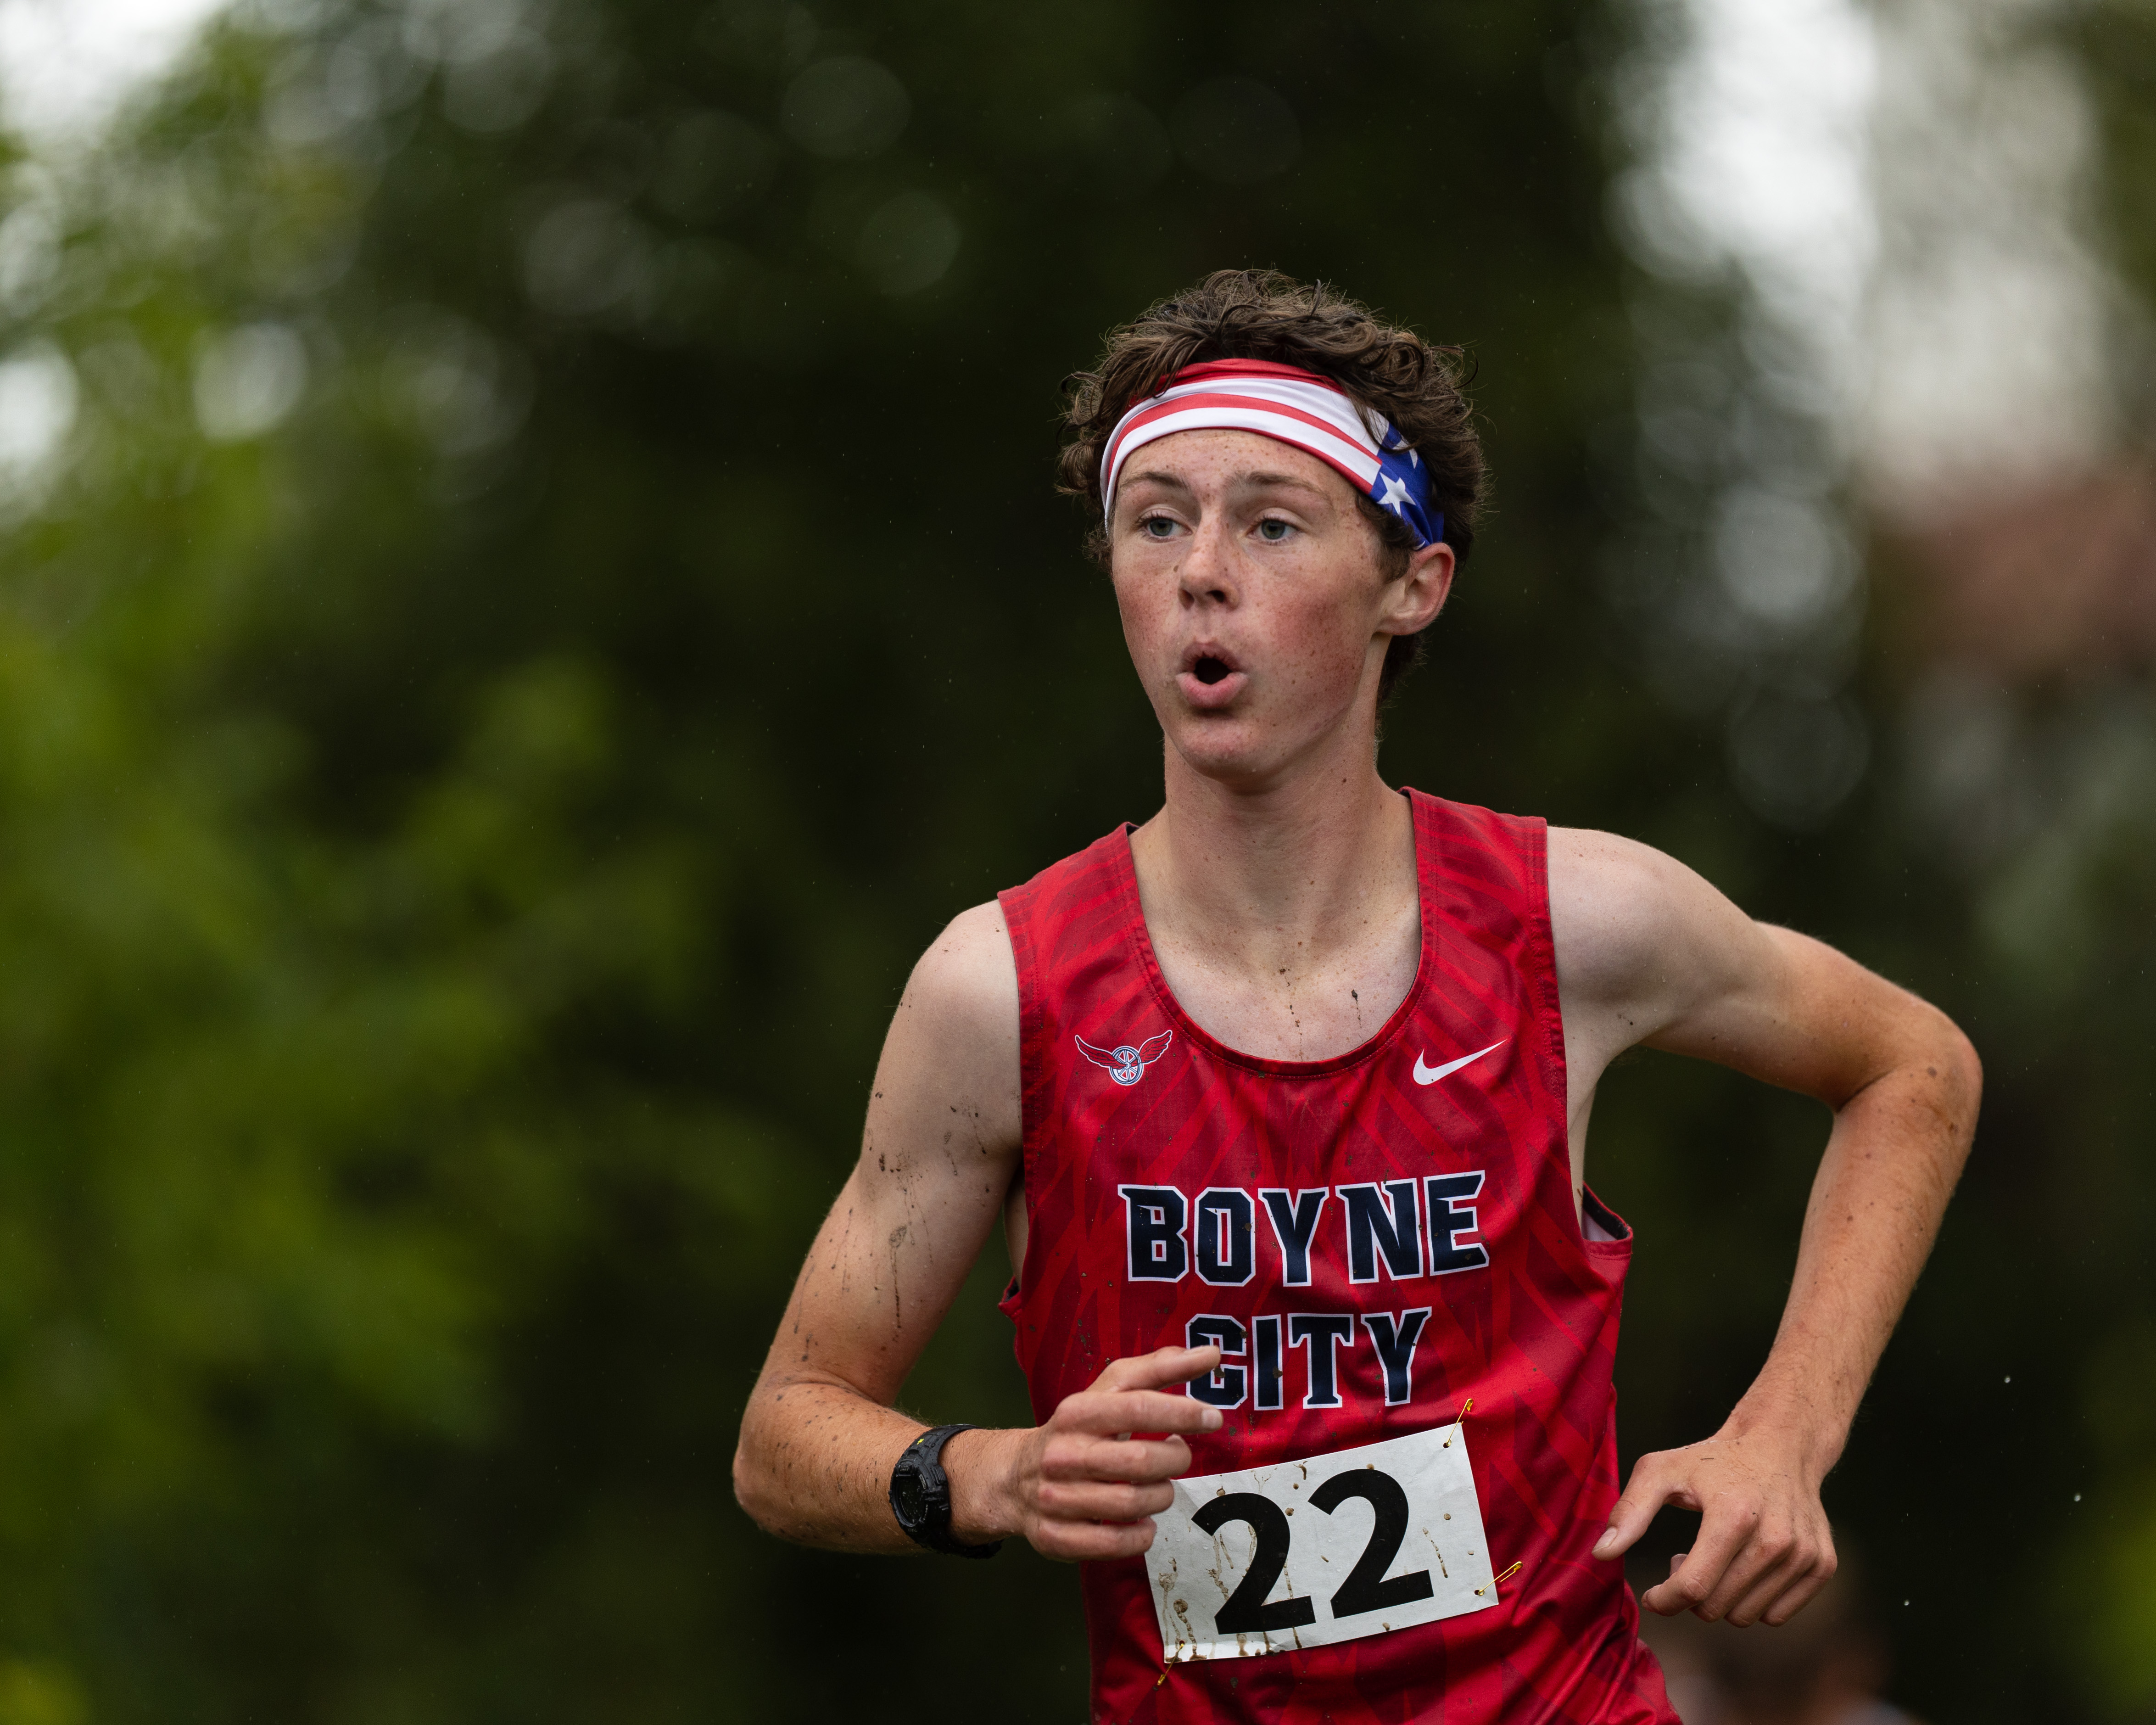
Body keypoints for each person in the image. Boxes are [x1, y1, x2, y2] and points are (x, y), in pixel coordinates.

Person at [731, 269, 1981, 1723]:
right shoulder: (1000, 988)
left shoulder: (1571, 922)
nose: (1202, 571)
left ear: (1412, 583)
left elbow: (1913, 1065)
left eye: (1270, 523)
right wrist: (986, 1473)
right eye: (1156, 522)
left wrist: (1785, 1433)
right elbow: (783, 1436)